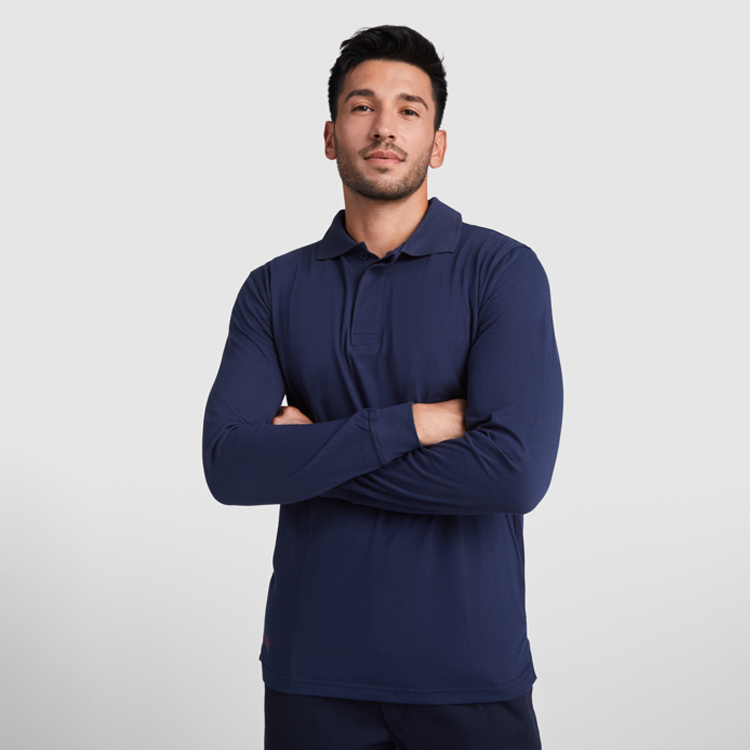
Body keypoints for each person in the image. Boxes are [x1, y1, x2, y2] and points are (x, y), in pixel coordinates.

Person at [202, 24, 563, 750]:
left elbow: (514, 473)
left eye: (409, 109)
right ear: (330, 136)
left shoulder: (502, 271)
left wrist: (309, 457)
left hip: (470, 671)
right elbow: (231, 466)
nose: (384, 127)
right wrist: (416, 423)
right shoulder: (273, 288)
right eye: (362, 106)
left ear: (438, 143)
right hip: (313, 671)